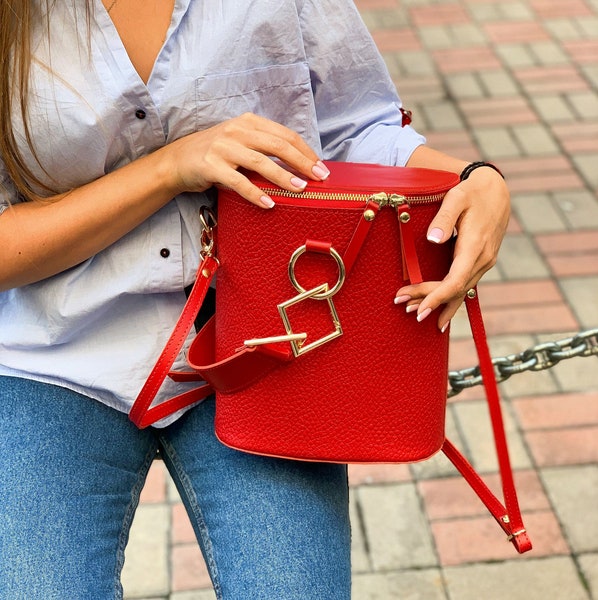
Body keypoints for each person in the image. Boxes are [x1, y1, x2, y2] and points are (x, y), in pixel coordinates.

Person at [0, 1, 510, 598]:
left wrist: (476, 180)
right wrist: (168, 169)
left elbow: (359, 129)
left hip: (272, 344)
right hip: (53, 355)